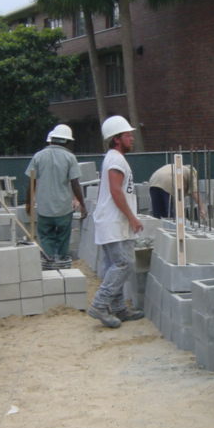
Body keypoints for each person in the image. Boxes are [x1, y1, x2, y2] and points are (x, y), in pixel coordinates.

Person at [88, 115, 145, 328]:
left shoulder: (115, 158)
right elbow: (115, 190)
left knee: (116, 264)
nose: (132, 138)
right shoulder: (115, 160)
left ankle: (119, 308)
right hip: (113, 221)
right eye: (128, 135)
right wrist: (132, 217)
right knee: (123, 263)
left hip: (115, 221)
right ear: (116, 139)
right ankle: (100, 304)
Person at [25, 124, 87, 268]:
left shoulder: (38, 156)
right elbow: (75, 184)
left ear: (51, 139)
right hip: (63, 208)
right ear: (67, 141)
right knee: (63, 238)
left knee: (46, 237)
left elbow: (31, 182)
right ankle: (63, 265)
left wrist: (29, 203)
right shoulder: (70, 157)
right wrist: (82, 205)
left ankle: (49, 265)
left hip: (44, 208)